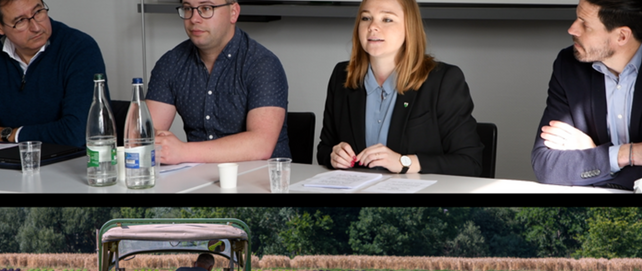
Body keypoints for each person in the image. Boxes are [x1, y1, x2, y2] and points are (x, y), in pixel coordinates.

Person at [531, 0, 642, 188]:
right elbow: (546, 167)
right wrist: (625, 154)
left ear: (622, 36)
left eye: (585, 24)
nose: (572, 29)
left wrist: (593, 158)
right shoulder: (569, 66)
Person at [316, 0, 483, 176]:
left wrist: (404, 162)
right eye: (366, 18)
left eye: (387, 19)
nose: (372, 26)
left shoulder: (443, 81)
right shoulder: (341, 76)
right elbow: (324, 149)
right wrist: (333, 156)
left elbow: (470, 163)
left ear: (409, 28)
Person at [146, 0, 290, 165]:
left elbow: (260, 145)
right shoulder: (170, 64)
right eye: (188, 8)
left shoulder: (262, 64)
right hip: (196, 178)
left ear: (233, 12)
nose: (194, 19)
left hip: (260, 180)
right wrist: (159, 144)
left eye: (206, 8)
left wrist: (182, 151)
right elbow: (145, 134)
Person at [0, 0, 107, 147]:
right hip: (11, 159)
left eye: (38, 12)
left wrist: (7, 134)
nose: (36, 27)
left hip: (70, 162)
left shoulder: (79, 48)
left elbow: (79, 132)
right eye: (20, 21)